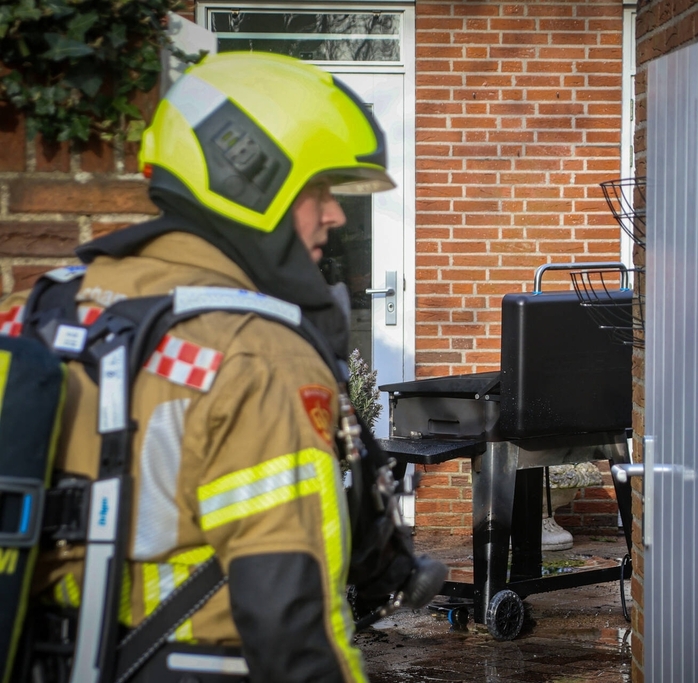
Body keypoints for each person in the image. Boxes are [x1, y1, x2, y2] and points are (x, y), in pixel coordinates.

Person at [3, 52, 403, 683]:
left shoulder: (53, 309)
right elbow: (292, 629)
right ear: (251, 181)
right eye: (318, 191)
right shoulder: (259, 354)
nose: (333, 215)